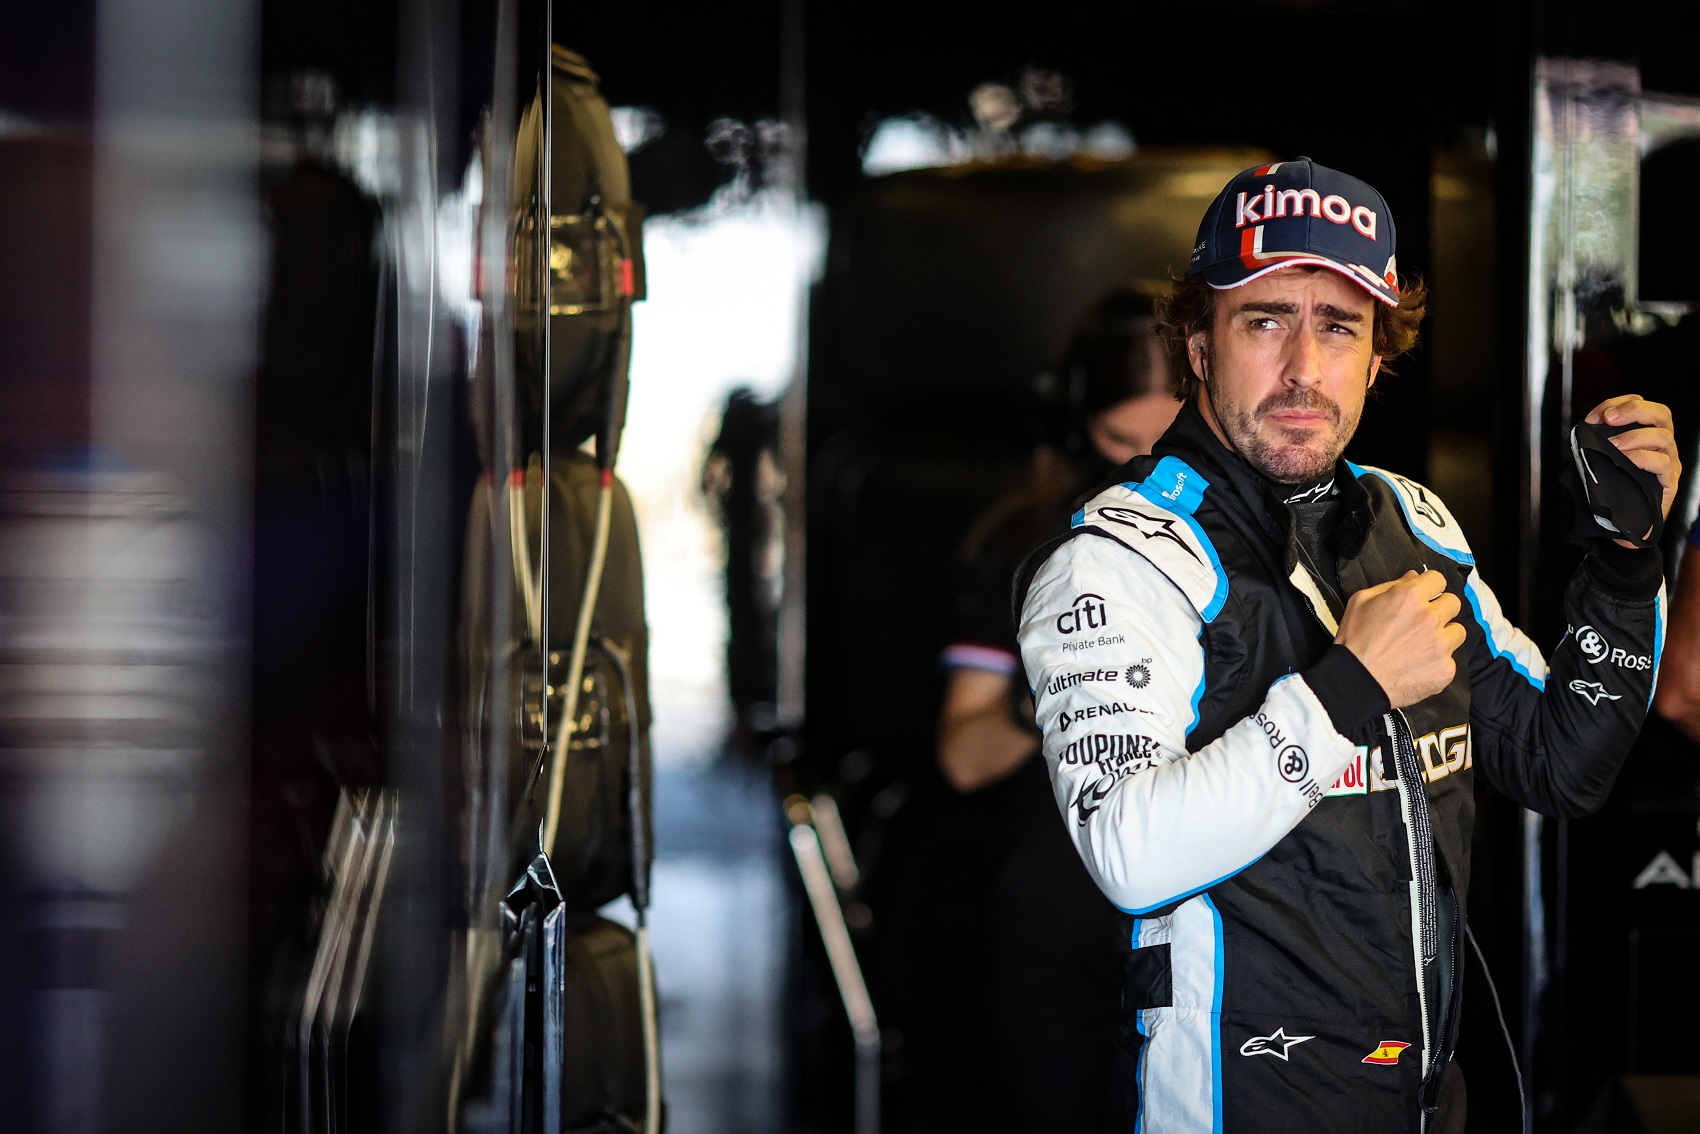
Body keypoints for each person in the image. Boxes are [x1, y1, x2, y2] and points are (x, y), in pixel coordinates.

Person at [1012, 158, 1677, 1132]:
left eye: (1337, 326)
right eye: (1264, 321)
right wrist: (1344, 691)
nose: (1302, 369)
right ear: (1197, 345)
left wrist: (1622, 562)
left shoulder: (1410, 524)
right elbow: (1129, 854)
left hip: (1420, 1100)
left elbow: (1562, 763)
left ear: (1375, 358)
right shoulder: (1117, 559)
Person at [936, 290, 1182, 1132]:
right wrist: (1064, 680)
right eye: (1121, 441)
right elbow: (963, 756)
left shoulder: (1265, 543)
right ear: (1078, 431)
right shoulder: (1026, 546)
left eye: (1168, 440)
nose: (1144, 466)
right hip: (1065, 917)